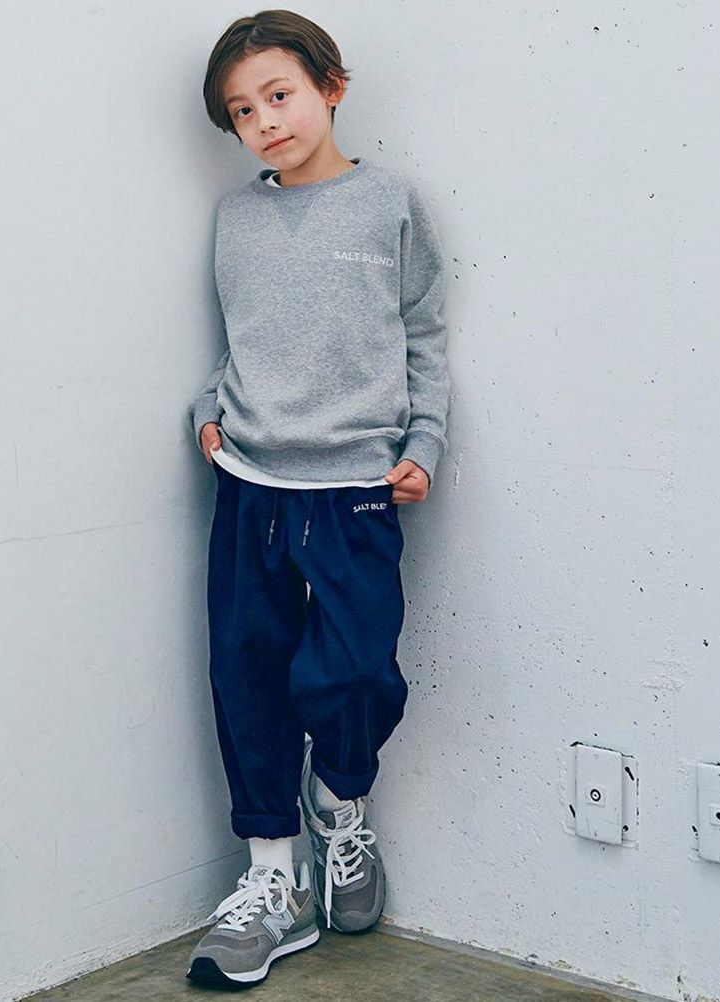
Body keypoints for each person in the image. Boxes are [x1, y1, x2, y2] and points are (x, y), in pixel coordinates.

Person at [183, 9, 452, 988]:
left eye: (278, 95)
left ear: (331, 87)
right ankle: (272, 880)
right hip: (250, 480)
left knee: (354, 675)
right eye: (241, 111)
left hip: (357, 488)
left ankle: (341, 811)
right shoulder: (236, 217)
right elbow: (243, 338)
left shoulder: (391, 203)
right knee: (246, 674)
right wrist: (208, 412)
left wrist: (425, 443)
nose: (264, 121)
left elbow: (423, 335)